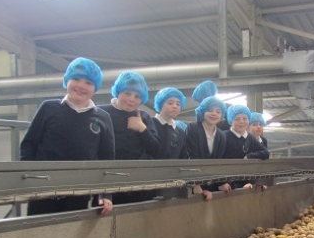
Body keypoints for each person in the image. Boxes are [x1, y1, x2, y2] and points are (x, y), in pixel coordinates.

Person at [20, 57, 115, 216]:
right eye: (76, 79)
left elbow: (107, 159)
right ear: (66, 80)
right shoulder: (49, 108)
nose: (81, 86)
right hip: (43, 190)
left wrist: (105, 194)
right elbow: (29, 145)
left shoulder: (103, 118)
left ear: (95, 88)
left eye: (89, 83)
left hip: (79, 191)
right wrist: (28, 180)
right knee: (39, 234)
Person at [99, 71, 160, 205]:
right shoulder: (101, 113)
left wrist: (142, 129)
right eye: (127, 93)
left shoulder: (144, 117)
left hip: (138, 182)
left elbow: (155, 149)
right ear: (118, 92)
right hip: (108, 181)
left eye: (137, 96)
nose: (132, 99)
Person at [185, 81, 232, 200]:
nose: (213, 114)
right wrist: (196, 184)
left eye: (218, 111)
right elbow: (192, 157)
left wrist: (221, 183)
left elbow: (219, 161)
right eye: (209, 109)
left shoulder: (222, 135)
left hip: (211, 182)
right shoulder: (193, 128)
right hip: (195, 183)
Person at [223, 104, 269, 189]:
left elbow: (265, 153)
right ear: (230, 120)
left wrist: (249, 156)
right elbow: (217, 161)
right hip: (227, 183)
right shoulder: (224, 136)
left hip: (245, 182)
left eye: (245, 118)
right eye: (237, 119)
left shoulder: (250, 137)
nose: (241, 122)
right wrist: (221, 184)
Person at [152, 87, 188, 159]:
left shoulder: (180, 132)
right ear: (160, 104)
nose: (175, 106)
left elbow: (183, 156)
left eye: (178, 104)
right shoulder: (149, 124)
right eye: (170, 103)